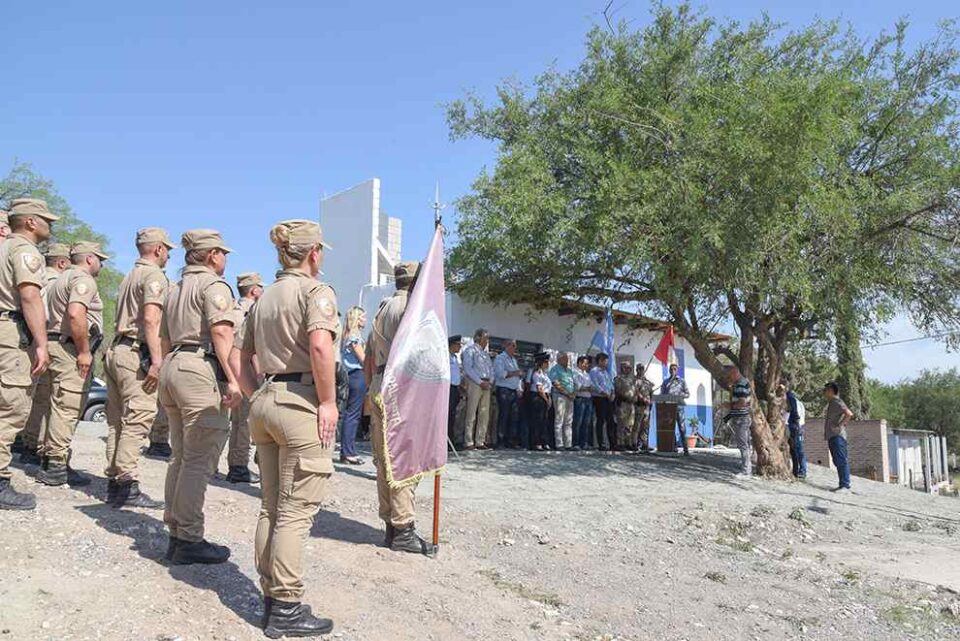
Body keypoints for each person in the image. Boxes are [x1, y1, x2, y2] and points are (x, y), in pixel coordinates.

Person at [237, 219, 338, 637]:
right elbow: (319, 345)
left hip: (266, 399)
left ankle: (270, 594)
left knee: (271, 507)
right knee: (296, 513)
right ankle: (286, 606)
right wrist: (328, 401)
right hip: (299, 401)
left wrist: (252, 394)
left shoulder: (264, 298)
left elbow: (240, 355)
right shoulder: (315, 291)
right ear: (314, 252)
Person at [159, 229, 241, 565]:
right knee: (198, 458)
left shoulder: (175, 287)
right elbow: (222, 331)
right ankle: (189, 537)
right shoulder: (213, 285)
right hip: (198, 368)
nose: (225, 259)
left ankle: (177, 533)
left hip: (174, 364)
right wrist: (234, 379)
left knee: (180, 456)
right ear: (211, 255)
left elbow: (163, 335)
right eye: (223, 253)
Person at [364, 261, 437, 557]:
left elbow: (369, 356)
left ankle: (392, 526)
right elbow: (420, 353)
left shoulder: (381, 309)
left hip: (381, 383)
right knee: (404, 459)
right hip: (403, 386)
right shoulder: (412, 307)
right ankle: (403, 526)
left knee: (384, 460)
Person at [102, 228, 173, 507]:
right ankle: (127, 483)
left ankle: (115, 483)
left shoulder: (130, 275)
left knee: (117, 422)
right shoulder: (153, 275)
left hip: (117, 348)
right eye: (167, 249)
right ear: (157, 249)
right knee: (138, 417)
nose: (168, 255)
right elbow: (152, 319)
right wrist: (157, 360)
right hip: (135, 352)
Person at [0, 198, 57, 510]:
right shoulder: (24, 250)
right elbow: (30, 295)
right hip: (11, 333)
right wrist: (40, 342)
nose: (51, 225)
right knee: (11, 408)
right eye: (46, 219)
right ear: (31, 222)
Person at [37, 241, 109, 487]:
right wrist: (84, 351)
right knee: (67, 408)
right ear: (89, 259)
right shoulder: (82, 279)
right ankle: (55, 466)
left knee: (55, 406)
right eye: (100, 258)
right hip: (69, 348)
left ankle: (49, 459)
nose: (101, 263)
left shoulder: (58, 279)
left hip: (55, 343)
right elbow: (76, 313)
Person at [16, 242, 70, 465]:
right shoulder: (56, 281)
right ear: (62, 262)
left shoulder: (40, 276)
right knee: (50, 403)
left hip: (33, 338)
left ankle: (28, 443)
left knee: (36, 399)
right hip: (47, 338)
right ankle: (39, 447)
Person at [218, 271, 264, 483]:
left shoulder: (233, 310)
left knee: (235, 423)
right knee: (244, 422)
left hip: (230, 373)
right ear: (254, 290)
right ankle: (239, 467)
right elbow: (248, 350)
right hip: (245, 374)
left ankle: (236, 465)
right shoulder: (250, 312)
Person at [339, 305, 366, 465]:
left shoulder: (346, 335)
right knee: (353, 414)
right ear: (357, 318)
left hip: (349, 375)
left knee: (350, 414)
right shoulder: (355, 337)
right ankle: (348, 452)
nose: (365, 320)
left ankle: (346, 450)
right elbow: (362, 358)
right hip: (357, 374)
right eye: (362, 317)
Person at [461, 328, 493, 450]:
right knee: (471, 412)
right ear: (478, 338)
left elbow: (491, 369)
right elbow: (468, 369)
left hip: (486, 383)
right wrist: (480, 382)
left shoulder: (485, 354)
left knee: (484, 414)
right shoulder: (470, 350)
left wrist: (490, 381)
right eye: (485, 338)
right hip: (476, 383)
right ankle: (468, 441)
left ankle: (480, 440)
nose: (487, 341)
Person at [823, 382, 854, 492]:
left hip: (837, 436)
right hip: (832, 436)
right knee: (837, 460)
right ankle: (842, 484)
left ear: (831, 391)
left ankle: (845, 485)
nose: (824, 393)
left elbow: (849, 414)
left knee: (841, 460)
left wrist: (841, 425)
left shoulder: (837, 401)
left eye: (826, 390)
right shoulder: (832, 403)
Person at [493, 338, 523, 448]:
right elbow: (501, 374)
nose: (515, 348)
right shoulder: (500, 358)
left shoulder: (513, 360)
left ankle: (511, 440)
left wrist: (519, 388)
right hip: (504, 390)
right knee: (504, 415)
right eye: (513, 346)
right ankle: (500, 441)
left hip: (513, 390)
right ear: (507, 346)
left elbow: (518, 376)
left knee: (514, 416)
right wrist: (515, 373)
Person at [724, 366, 753, 478]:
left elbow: (742, 402)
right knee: (745, 443)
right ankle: (747, 467)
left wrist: (728, 405)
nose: (729, 378)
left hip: (742, 418)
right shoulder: (738, 384)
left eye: (729, 375)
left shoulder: (741, 384)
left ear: (735, 373)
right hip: (740, 417)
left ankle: (746, 471)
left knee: (743, 444)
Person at [661, 363, 691, 456]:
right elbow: (662, 395)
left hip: (679, 408)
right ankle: (673, 448)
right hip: (669, 409)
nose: (673, 370)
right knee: (670, 428)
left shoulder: (681, 381)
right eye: (671, 369)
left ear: (677, 370)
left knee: (682, 428)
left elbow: (687, 394)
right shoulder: (665, 382)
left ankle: (686, 449)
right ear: (669, 370)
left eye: (675, 369)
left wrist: (680, 395)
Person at [548, 353, 576, 450]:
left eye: (567, 359)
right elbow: (556, 383)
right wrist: (567, 393)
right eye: (565, 359)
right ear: (559, 359)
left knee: (568, 421)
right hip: (560, 396)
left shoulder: (569, 371)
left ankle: (568, 444)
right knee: (559, 420)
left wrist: (573, 393)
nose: (567, 361)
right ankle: (559, 444)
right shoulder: (554, 369)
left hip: (570, 397)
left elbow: (573, 383)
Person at [589, 354, 616, 451]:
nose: (606, 363)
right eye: (604, 361)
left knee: (611, 421)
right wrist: (604, 393)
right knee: (600, 420)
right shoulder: (594, 371)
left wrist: (612, 393)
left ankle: (612, 444)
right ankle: (601, 444)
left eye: (607, 361)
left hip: (609, 398)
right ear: (599, 361)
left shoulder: (606, 372)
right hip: (599, 398)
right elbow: (594, 384)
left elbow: (610, 384)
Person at [782, 376, 806, 479]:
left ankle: (801, 471)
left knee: (797, 449)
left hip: (794, 426)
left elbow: (790, 413)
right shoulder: (797, 401)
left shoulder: (790, 398)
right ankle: (797, 471)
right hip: (798, 426)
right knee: (795, 450)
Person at [529, 352, 552, 451]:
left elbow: (547, 389)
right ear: (541, 363)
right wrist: (546, 400)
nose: (548, 364)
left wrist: (548, 398)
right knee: (537, 421)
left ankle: (544, 441)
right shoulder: (537, 374)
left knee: (544, 421)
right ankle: (536, 442)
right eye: (546, 362)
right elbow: (540, 389)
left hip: (545, 396)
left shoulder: (545, 374)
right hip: (538, 397)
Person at [614, 362, 637, 452]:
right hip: (622, 404)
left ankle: (628, 443)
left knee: (630, 424)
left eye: (629, 368)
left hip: (631, 405)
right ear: (621, 368)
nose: (627, 369)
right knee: (621, 424)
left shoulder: (632, 380)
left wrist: (634, 398)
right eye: (625, 367)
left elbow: (635, 391)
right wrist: (627, 398)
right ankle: (620, 443)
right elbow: (618, 391)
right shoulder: (618, 378)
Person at [572, 355, 594, 450]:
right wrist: (587, 388)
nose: (586, 365)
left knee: (587, 422)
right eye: (584, 363)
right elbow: (578, 387)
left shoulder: (587, 374)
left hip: (588, 399)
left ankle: (584, 443)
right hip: (580, 399)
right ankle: (575, 443)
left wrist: (587, 389)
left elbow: (591, 388)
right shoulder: (576, 373)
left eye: (587, 364)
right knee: (578, 422)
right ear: (579, 363)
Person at [634, 364, 654, 453]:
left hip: (647, 407)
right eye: (639, 369)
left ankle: (644, 444)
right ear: (636, 370)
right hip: (638, 405)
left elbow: (651, 393)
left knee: (645, 426)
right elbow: (636, 392)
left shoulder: (647, 382)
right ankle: (635, 443)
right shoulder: (635, 380)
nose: (641, 370)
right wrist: (643, 399)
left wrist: (651, 401)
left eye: (642, 369)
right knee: (637, 425)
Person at [447, 335, 463, 448]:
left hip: (455, 389)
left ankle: (451, 440)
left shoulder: (455, 358)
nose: (460, 347)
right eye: (458, 345)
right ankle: (447, 441)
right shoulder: (446, 356)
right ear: (453, 345)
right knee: (448, 415)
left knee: (453, 416)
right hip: (448, 388)